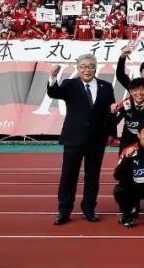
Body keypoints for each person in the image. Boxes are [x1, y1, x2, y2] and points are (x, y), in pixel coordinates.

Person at [46, 54, 116, 225]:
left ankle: (89, 209)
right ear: (78, 68)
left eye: (91, 66)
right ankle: (64, 211)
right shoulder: (69, 84)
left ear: (96, 67)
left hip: (97, 139)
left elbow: (111, 112)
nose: (87, 70)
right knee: (68, 176)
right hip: (73, 138)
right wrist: (53, 77)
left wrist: (111, 133)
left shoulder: (106, 86)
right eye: (83, 66)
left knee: (92, 177)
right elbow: (53, 92)